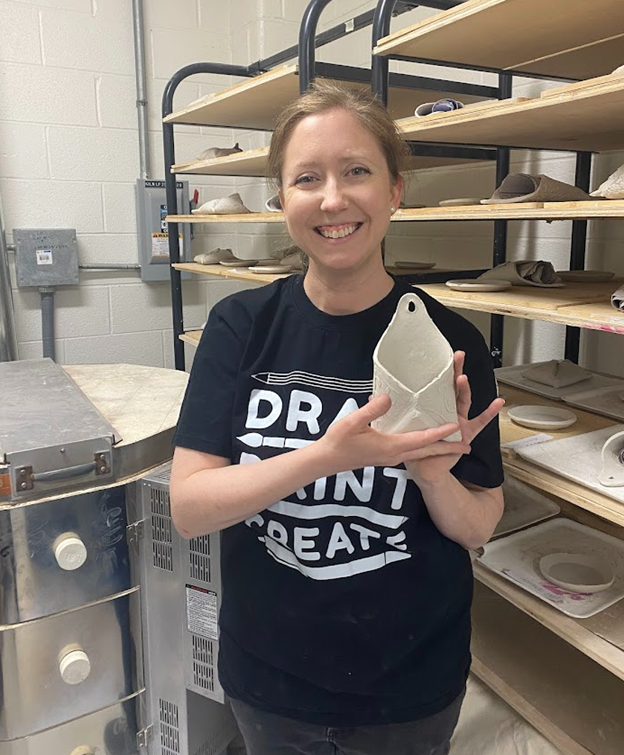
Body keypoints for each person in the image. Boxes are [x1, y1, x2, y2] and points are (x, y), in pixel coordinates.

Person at [170, 80, 505, 755]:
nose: (332, 199)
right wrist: (328, 456)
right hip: (269, 682)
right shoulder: (240, 327)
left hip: (408, 690)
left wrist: (434, 476)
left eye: (357, 171)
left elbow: (477, 527)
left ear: (395, 191)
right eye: (307, 178)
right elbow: (190, 508)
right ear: (281, 199)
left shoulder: (450, 340)